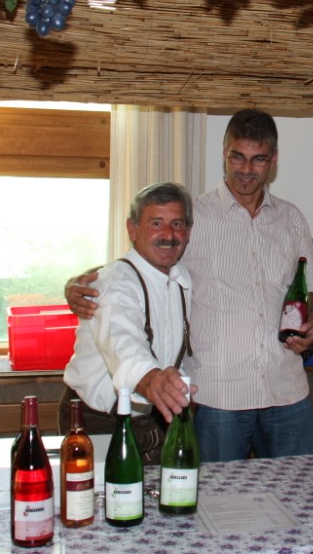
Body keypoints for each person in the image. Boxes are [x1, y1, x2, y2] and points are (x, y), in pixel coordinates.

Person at [65, 109, 313, 462]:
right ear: (223, 153)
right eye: (237, 157)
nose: (246, 169)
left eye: (258, 159)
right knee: (214, 494)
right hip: (217, 397)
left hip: (287, 389)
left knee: (304, 487)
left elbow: (311, 291)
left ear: (273, 159)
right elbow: (139, 265)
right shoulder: (191, 217)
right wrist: (78, 283)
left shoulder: (292, 219)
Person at [61, 182, 194, 465]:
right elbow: (124, 344)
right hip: (96, 421)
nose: (168, 235)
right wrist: (152, 381)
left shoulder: (181, 278)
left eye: (177, 224)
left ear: (188, 231)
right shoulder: (114, 284)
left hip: (152, 417)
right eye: (156, 223)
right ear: (132, 230)